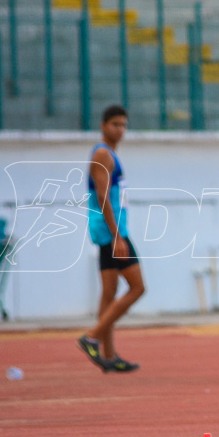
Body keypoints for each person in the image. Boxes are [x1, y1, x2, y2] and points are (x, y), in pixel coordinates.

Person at [76, 104, 146, 373]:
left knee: (109, 292)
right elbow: (103, 196)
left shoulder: (108, 155)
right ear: (104, 126)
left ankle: (108, 355)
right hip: (111, 232)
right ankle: (91, 336)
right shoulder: (103, 154)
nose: (121, 130)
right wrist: (117, 236)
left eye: (124, 125)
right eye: (115, 124)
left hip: (108, 231)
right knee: (138, 287)